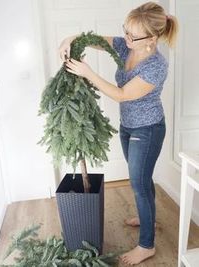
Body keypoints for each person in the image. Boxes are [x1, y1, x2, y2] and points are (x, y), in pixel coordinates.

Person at [58, 1, 178, 265]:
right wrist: (71, 37)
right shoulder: (129, 45)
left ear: (152, 38)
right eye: (125, 31)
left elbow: (122, 94)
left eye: (132, 35)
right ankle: (149, 217)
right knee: (142, 180)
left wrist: (88, 73)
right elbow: (99, 41)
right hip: (128, 125)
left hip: (147, 130)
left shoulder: (156, 66)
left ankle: (147, 245)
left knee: (137, 184)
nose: (126, 38)